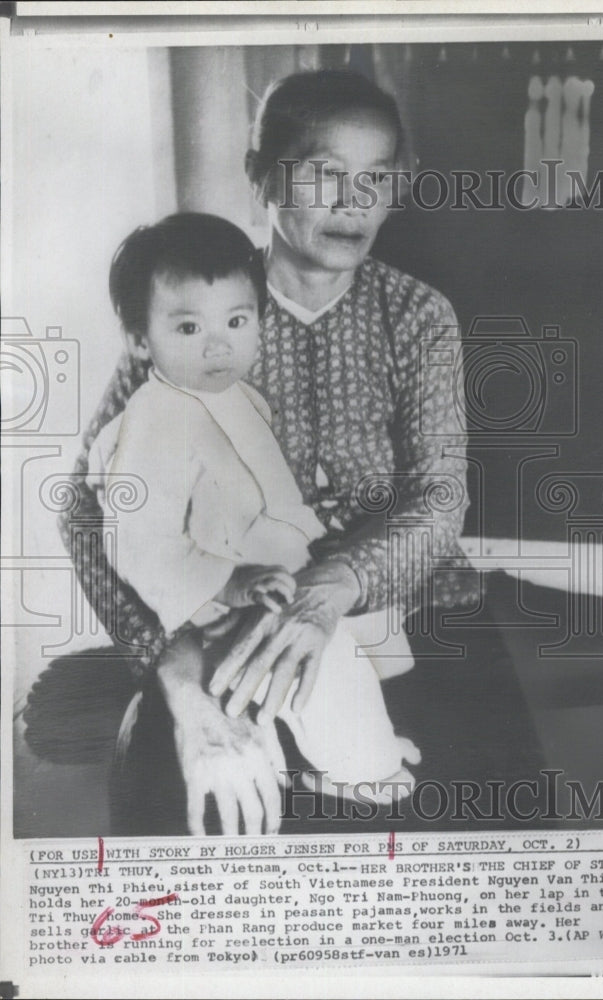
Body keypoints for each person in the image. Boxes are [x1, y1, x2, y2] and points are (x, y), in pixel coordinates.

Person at [61, 68, 542, 837]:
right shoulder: (193, 304)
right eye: (325, 175)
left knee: (496, 820)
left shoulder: (417, 314)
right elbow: (88, 510)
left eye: (377, 179)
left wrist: (328, 595)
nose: (355, 203)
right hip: (223, 623)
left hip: (414, 616)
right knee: (196, 822)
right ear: (262, 178)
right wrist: (179, 675)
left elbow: (439, 499)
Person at [86, 213, 419, 824]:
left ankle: (341, 746)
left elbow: (256, 481)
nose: (219, 344)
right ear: (140, 340)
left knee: (358, 643)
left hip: (274, 566)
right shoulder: (155, 423)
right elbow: (141, 547)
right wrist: (232, 582)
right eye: (188, 326)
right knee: (327, 673)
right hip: (225, 601)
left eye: (237, 321)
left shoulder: (233, 392)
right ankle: (355, 769)